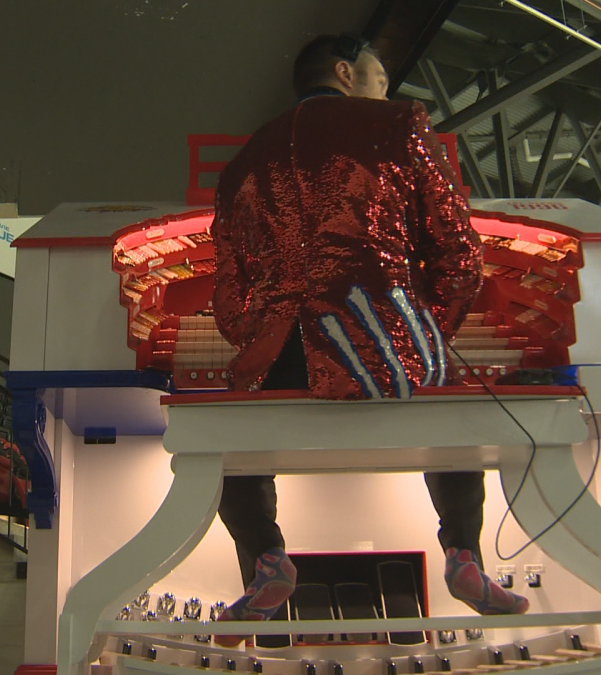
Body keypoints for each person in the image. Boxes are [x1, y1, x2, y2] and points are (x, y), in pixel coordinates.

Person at [210, 34, 529, 639]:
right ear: (344, 73)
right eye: (379, 78)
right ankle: (463, 554)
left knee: (227, 437)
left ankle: (265, 560)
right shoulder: (401, 124)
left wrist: (258, 335)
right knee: (455, 406)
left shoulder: (246, 157)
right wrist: (424, 325)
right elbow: (460, 257)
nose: (387, 91)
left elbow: (227, 293)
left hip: (279, 359)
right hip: (386, 347)